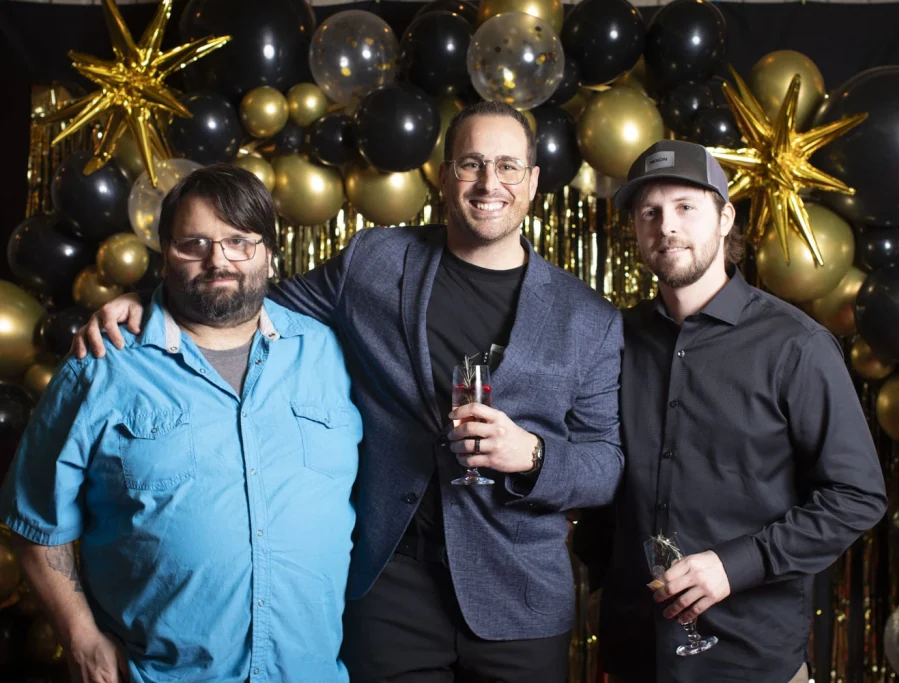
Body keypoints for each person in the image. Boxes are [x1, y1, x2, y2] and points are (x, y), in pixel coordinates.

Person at [73, 101, 624, 682]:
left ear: (533, 182)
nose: (490, 183)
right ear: (443, 177)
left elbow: (605, 464)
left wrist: (532, 456)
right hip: (389, 590)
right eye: (471, 163)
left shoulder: (589, 318)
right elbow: (249, 301)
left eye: (509, 166)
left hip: (519, 598)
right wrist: (150, 301)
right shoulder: (375, 260)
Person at [2, 165, 362, 683]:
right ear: (163, 252)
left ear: (268, 251)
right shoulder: (103, 364)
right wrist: (80, 640)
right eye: (193, 243)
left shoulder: (326, 352)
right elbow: (34, 521)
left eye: (239, 241)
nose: (218, 260)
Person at [590, 140, 888, 683]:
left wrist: (736, 564)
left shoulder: (795, 345)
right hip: (635, 656)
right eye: (649, 213)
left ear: (725, 218)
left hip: (752, 660)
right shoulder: (616, 339)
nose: (666, 227)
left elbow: (857, 496)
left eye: (686, 207)